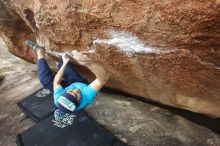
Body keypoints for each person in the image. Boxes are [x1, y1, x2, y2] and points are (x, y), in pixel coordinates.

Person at [25, 40, 109, 115]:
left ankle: (40, 51)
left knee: (45, 79)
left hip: (66, 88)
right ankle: (62, 65)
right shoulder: (86, 95)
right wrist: (88, 63)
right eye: (76, 95)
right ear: (79, 102)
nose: (76, 91)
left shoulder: (58, 98)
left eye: (71, 92)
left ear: (63, 93)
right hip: (79, 83)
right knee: (62, 64)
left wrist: (64, 64)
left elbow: (56, 82)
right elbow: (102, 80)